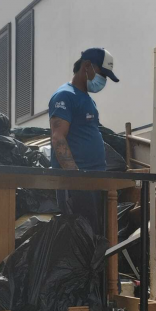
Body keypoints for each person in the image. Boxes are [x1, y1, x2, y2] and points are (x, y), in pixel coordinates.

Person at [48, 48, 119, 232]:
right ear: (87, 66)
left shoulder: (86, 99)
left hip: (92, 181)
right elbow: (58, 137)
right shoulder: (65, 96)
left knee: (93, 237)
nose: (103, 81)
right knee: (80, 237)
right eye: (102, 74)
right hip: (77, 184)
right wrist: (76, 177)